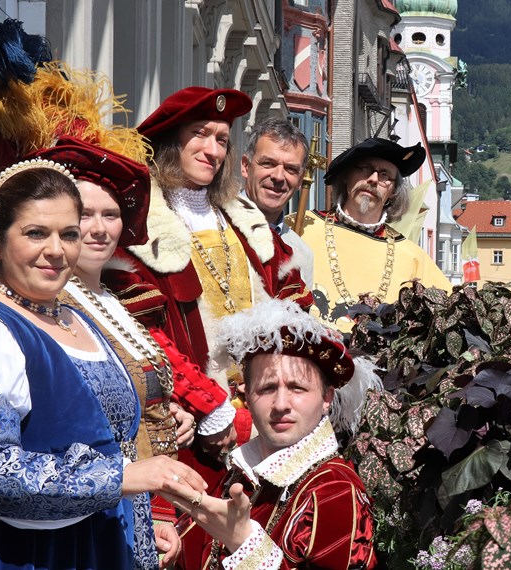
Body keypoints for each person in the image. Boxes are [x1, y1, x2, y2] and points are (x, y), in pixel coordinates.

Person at [0, 158, 205, 570]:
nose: (56, 250)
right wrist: (122, 479)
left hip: (108, 542)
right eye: (35, 233)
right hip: (41, 555)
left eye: (68, 234)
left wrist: (142, 512)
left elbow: (107, 433)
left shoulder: (76, 316)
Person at [121, 86, 312, 568]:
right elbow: (141, 334)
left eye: (222, 139)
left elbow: (292, 304)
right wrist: (207, 405)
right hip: (190, 427)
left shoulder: (244, 219)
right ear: (169, 141)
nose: (211, 149)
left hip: (264, 421)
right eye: (199, 135)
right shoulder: (143, 225)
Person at [159, 299, 379, 569]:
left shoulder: (334, 490)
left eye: (297, 388)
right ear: (247, 397)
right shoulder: (239, 474)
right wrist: (175, 541)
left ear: (326, 398)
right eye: (267, 389)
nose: (281, 404)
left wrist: (243, 543)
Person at [299, 138, 452, 331]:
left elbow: (450, 309)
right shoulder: (301, 227)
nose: (373, 179)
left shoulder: (411, 256)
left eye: (385, 175)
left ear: (394, 192)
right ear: (346, 176)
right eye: (364, 168)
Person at [240, 117, 314, 287]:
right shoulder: (213, 223)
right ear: (245, 166)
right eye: (268, 163)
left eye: (290, 169)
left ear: (300, 180)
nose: (278, 176)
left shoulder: (301, 254)